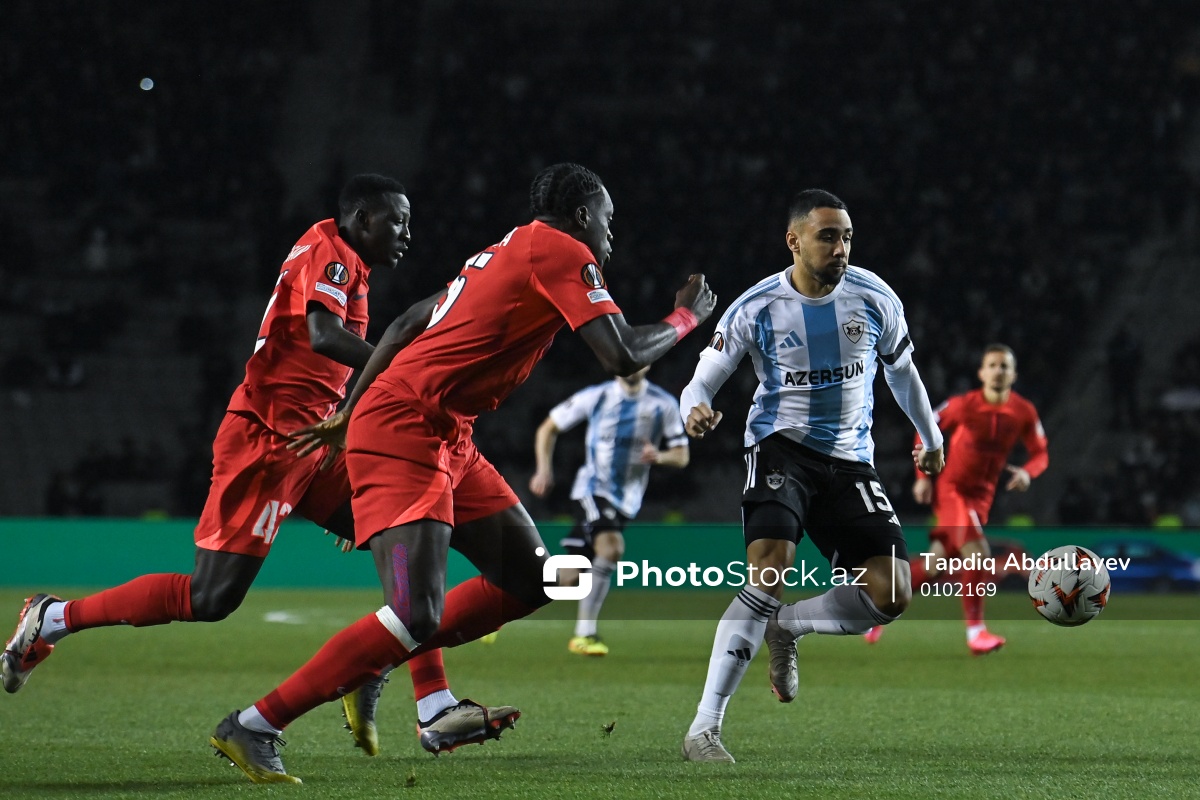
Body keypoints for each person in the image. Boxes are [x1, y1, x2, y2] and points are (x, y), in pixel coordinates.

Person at [208, 162, 717, 784]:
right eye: (608, 219)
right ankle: (256, 724)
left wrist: (346, 412)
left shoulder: (503, 249)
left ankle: (388, 668)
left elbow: (403, 325)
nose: (612, 233)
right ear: (583, 215)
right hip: (405, 426)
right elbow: (622, 354)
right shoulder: (560, 250)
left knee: (534, 580)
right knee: (413, 613)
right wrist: (687, 316)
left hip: (444, 429)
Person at [1, 175, 507, 757]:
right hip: (267, 442)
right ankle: (55, 617)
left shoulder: (347, 262)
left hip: (313, 440)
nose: (406, 234)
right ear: (361, 217)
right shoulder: (332, 256)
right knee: (211, 598)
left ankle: (431, 703)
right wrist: (399, 374)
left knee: (413, 528)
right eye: (396, 221)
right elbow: (322, 335)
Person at [678, 189, 945, 763]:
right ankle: (704, 729)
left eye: (847, 236)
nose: (841, 247)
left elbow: (903, 373)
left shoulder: (875, 297)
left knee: (893, 592)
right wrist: (693, 410)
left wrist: (931, 433)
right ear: (794, 240)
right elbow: (701, 380)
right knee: (769, 567)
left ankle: (789, 626)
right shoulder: (756, 307)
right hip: (781, 449)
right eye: (828, 236)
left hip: (851, 461)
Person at [863, 344, 1048, 654]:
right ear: (982, 372)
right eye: (992, 365)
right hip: (952, 490)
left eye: (1005, 366)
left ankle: (875, 606)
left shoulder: (1023, 412)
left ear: (1014, 374)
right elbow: (924, 427)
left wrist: (1028, 473)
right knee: (978, 553)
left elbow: (1041, 453)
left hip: (982, 498)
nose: (998, 371)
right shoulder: (964, 405)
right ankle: (976, 632)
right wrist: (923, 476)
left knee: (934, 566)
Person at [528, 366, 689, 656]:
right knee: (612, 547)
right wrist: (544, 470)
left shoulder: (662, 403)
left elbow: (682, 455)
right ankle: (585, 635)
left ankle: (501, 598)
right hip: (592, 489)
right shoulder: (597, 396)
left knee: (570, 576)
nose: (631, 364)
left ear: (649, 363)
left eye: (637, 358)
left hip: (627, 501)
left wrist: (660, 456)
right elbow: (548, 428)